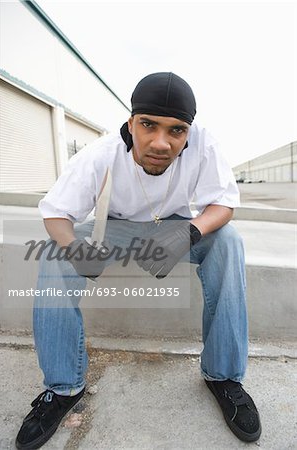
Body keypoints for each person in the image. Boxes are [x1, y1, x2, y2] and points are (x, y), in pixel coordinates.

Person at [15, 72, 261, 449]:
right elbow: (55, 214)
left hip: (174, 227)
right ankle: (63, 388)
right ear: (131, 123)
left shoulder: (204, 146)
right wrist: (77, 250)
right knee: (55, 254)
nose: (161, 142)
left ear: (188, 132)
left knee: (227, 241)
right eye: (148, 125)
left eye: (176, 131)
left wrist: (188, 234)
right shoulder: (100, 154)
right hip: (114, 227)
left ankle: (223, 377)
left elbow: (223, 203)